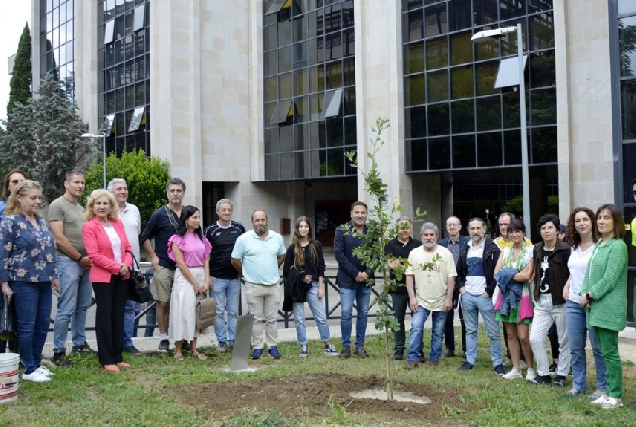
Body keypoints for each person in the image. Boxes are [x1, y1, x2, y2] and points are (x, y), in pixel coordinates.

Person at [0, 181, 60, 382]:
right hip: (22, 280)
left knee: (43, 324)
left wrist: (54, 276)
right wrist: (4, 283)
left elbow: (50, 251)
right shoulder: (10, 222)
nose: (37, 201)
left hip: (44, 280)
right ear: (19, 198)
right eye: (33, 198)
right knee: (26, 326)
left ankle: (35, 362)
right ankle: (28, 368)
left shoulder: (40, 221)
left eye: (39, 198)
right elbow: (3, 254)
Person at [580, 204, 628, 409]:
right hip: (595, 307)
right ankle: (607, 391)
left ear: (615, 222)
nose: (601, 221)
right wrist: (583, 292)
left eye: (606, 218)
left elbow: (610, 278)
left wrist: (590, 294)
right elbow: (589, 274)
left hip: (608, 307)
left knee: (610, 352)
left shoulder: (618, 246)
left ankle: (615, 395)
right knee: (601, 351)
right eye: (599, 217)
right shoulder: (600, 244)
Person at [82, 190, 133, 372]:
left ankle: (118, 355)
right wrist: (116, 267)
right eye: (98, 203)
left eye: (105, 203)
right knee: (105, 316)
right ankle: (106, 358)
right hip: (104, 276)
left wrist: (126, 265)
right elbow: (94, 255)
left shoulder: (117, 223)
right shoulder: (89, 227)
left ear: (111, 206)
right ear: (92, 207)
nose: (102, 207)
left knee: (118, 314)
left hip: (122, 275)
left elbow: (127, 248)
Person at [49, 170, 95, 366]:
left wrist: (87, 259)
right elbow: (58, 238)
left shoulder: (80, 208)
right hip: (68, 262)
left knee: (82, 306)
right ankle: (59, 350)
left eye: (82, 183)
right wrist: (78, 258)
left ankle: (79, 343)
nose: (80, 186)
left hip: (86, 263)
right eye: (76, 182)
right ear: (66, 184)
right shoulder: (57, 205)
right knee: (66, 308)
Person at [562, 207, 607, 399]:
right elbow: (574, 272)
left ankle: (602, 387)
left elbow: (603, 275)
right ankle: (579, 385)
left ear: (592, 222)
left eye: (585, 220)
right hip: (573, 303)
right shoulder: (573, 247)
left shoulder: (601, 246)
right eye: (578, 220)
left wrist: (590, 296)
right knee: (576, 347)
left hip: (593, 303)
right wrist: (567, 284)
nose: (582, 223)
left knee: (598, 348)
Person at [231, 210, 286, 360]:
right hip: (253, 286)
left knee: (272, 318)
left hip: (273, 285)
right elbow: (235, 259)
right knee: (256, 319)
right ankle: (257, 348)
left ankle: (272, 347)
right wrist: (245, 273)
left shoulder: (277, 238)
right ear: (252, 222)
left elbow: (282, 255)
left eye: (262, 220)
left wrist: (274, 267)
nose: (260, 223)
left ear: (267, 220)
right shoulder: (244, 239)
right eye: (257, 220)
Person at [140, 178, 186, 352]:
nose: (175, 194)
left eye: (179, 190)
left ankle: (183, 338)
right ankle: (163, 337)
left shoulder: (189, 213)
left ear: (183, 193)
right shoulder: (159, 214)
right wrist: (152, 256)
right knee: (163, 303)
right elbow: (145, 237)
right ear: (167, 192)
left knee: (183, 303)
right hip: (165, 266)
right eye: (172, 190)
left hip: (185, 268)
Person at [282, 216, 338, 357]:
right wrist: (300, 277)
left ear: (309, 228)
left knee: (320, 316)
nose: (303, 229)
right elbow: (286, 270)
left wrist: (320, 287)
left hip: (313, 284)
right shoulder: (292, 248)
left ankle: (327, 343)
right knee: (299, 318)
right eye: (301, 226)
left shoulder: (316, 245)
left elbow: (321, 267)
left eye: (306, 226)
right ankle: (303, 345)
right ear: (297, 228)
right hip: (297, 286)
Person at [455, 218, 504, 374]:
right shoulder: (465, 248)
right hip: (468, 296)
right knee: (470, 330)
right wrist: (461, 288)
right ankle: (470, 360)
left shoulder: (493, 249)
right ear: (469, 230)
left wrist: (489, 291)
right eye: (472, 228)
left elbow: (498, 272)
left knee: (493, 331)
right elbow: (459, 271)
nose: (475, 231)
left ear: (484, 230)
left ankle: (497, 363)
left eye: (478, 228)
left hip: (485, 297)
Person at [404, 222, 456, 369]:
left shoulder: (445, 253)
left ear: (437, 236)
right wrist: (412, 297)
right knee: (416, 327)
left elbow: (451, 277)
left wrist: (449, 298)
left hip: (441, 299)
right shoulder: (414, 253)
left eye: (431, 234)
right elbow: (409, 276)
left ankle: (434, 358)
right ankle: (412, 358)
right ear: (421, 236)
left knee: (438, 332)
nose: (428, 237)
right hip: (421, 299)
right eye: (425, 235)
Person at [528, 214, 571, 386]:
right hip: (541, 301)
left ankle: (561, 375)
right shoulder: (537, 248)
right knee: (535, 338)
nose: (546, 231)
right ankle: (543, 374)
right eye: (543, 228)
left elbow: (572, 274)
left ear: (557, 230)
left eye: (550, 227)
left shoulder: (565, 249)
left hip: (560, 301)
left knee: (563, 340)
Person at [167, 206, 211, 361]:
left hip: (199, 275)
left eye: (199, 217)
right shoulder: (177, 239)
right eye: (194, 218)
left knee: (197, 312)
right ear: (186, 220)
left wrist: (206, 280)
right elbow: (181, 264)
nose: (197, 220)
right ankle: (178, 349)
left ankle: (194, 348)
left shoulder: (201, 238)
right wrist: (194, 283)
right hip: (185, 278)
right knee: (183, 311)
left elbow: (206, 258)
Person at [494, 219, 535, 381]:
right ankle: (516, 367)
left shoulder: (531, 251)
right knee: (510, 334)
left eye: (518, 231)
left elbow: (527, 276)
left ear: (524, 232)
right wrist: (513, 274)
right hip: (505, 297)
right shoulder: (505, 251)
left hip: (523, 296)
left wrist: (507, 273)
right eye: (511, 232)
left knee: (523, 336)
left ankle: (531, 367)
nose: (514, 234)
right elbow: (496, 274)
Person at [334, 201, 375, 359]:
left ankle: (360, 346)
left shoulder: (371, 232)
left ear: (366, 214)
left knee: (363, 314)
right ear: (351, 213)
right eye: (357, 212)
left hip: (365, 280)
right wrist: (356, 273)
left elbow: (376, 255)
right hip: (347, 281)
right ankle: (345, 347)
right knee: (345, 313)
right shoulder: (341, 230)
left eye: (363, 213)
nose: (360, 215)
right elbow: (339, 255)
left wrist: (367, 273)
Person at [204, 199, 245, 352]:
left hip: (234, 278)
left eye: (229, 210)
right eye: (223, 210)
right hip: (217, 278)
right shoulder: (210, 230)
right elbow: (205, 255)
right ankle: (221, 341)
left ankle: (233, 340)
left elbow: (245, 251)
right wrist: (207, 277)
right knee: (219, 312)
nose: (226, 212)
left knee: (233, 311)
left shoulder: (239, 228)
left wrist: (243, 271)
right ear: (217, 212)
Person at [108, 178, 142, 354]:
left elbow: (136, 237)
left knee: (130, 307)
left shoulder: (134, 210)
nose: (122, 191)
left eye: (125, 188)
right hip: (111, 267)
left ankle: (127, 342)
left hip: (131, 267)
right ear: (111, 192)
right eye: (118, 189)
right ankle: (112, 343)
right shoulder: (106, 212)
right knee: (111, 307)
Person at [384, 216, 422, 360]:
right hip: (397, 289)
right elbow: (391, 265)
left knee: (417, 321)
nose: (404, 230)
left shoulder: (418, 244)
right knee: (397, 320)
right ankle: (399, 349)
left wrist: (401, 264)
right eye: (401, 227)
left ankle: (418, 349)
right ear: (396, 228)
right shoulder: (390, 245)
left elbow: (419, 265)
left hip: (416, 289)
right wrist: (408, 265)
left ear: (411, 228)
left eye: (406, 227)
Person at [0, 168, 27, 355]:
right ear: (8, 187)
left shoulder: (29, 212)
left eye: (22, 181)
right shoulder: (2, 209)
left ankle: (18, 357)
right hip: (4, 269)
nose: (19, 185)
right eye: (14, 182)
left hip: (23, 273)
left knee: (21, 318)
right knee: (3, 317)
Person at [438, 216, 469, 358]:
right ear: (446, 227)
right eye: (449, 225)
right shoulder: (441, 244)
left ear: (460, 227)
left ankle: (466, 348)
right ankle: (449, 347)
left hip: (463, 284)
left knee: (465, 317)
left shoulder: (467, 242)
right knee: (447, 317)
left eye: (454, 225)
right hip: (446, 284)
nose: (452, 227)